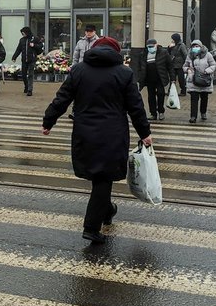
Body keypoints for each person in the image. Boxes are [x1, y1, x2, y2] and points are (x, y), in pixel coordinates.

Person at [42, 36, 152, 244]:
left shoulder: (79, 70)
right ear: (116, 52)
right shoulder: (124, 73)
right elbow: (135, 107)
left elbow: (62, 98)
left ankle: (107, 210)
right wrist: (144, 133)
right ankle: (91, 227)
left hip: (85, 132)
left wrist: (49, 121)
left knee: (100, 177)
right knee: (103, 178)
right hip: (113, 133)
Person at [136, 38, 173, 121]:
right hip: (149, 79)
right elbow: (139, 67)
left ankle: (161, 111)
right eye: (148, 47)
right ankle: (153, 113)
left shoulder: (163, 52)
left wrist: (172, 78)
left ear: (156, 45)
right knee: (151, 97)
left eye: (152, 46)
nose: (150, 48)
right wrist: (140, 78)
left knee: (161, 94)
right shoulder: (143, 54)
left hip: (160, 78)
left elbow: (170, 66)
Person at [185, 39, 216, 123]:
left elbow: (214, 65)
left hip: (204, 80)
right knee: (194, 99)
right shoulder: (189, 55)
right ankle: (193, 116)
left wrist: (207, 71)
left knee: (204, 98)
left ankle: (203, 113)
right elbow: (185, 66)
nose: (195, 48)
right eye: (193, 46)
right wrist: (188, 69)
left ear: (201, 46)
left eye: (197, 46)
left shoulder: (208, 55)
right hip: (193, 80)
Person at [11, 26, 43, 96]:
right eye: (22, 33)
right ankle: (26, 86)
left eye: (23, 33)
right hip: (24, 60)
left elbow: (40, 46)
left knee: (30, 75)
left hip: (32, 59)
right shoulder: (22, 40)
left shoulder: (34, 38)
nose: (23, 35)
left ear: (27, 32)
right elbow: (18, 49)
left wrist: (34, 45)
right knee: (23, 74)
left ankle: (29, 90)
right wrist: (14, 57)